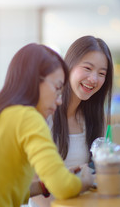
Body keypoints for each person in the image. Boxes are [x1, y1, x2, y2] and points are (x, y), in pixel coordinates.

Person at [0, 43, 94, 207]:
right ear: (34, 80)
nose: (59, 100)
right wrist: (86, 181)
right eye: (57, 88)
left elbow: (0, 191)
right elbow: (63, 187)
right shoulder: (29, 118)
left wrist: (44, 185)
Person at [30, 35, 113, 206]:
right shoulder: (44, 113)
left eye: (101, 73)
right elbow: (33, 187)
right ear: (69, 66)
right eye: (87, 68)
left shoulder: (94, 118)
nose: (94, 79)